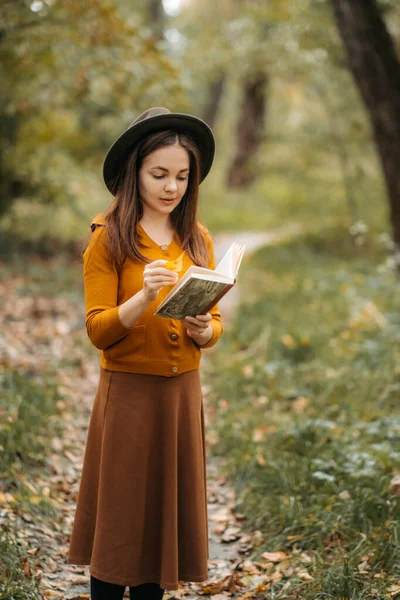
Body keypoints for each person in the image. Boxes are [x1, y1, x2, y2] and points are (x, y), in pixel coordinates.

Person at [66, 107, 223, 600]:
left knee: (161, 525)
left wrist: (203, 330)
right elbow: (98, 330)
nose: (171, 187)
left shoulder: (198, 239)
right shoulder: (108, 237)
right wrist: (142, 300)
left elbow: (215, 324)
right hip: (129, 394)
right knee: (120, 519)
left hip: (180, 397)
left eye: (181, 176)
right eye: (159, 174)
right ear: (135, 172)